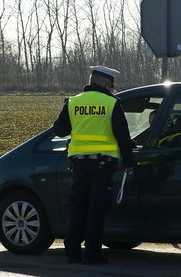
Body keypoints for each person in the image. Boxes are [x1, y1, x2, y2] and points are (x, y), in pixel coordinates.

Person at [53, 66, 134, 264]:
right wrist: (129, 161)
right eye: (111, 85)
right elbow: (123, 136)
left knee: (78, 206)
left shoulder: (73, 102)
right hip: (103, 163)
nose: (112, 89)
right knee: (97, 208)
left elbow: (60, 130)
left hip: (79, 163)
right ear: (106, 84)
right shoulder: (112, 103)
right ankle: (91, 253)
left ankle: (72, 252)